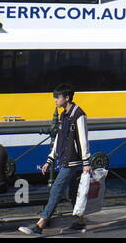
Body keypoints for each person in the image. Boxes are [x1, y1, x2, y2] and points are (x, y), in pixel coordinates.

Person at [20, 83, 90, 235]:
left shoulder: (79, 114)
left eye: (57, 98)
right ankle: (80, 221)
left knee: (57, 189)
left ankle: (40, 225)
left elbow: (83, 140)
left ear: (66, 97)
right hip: (64, 159)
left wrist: (86, 162)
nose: (55, 101)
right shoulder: (64, 114)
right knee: (72, 192)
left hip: (72, 160)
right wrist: (50, 159)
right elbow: (59, 138)